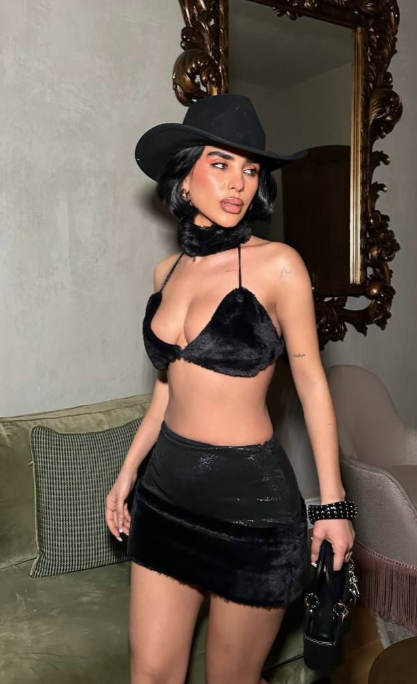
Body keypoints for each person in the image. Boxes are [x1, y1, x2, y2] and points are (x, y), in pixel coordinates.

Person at [105, 93, 356, 684]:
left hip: (252, 513)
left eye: (250, 169)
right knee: (149, 675)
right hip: (164, 497)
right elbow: (167, 391)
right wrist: (127, 472)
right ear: (184, 176)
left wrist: (333, 506)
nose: (238, 183)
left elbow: (313, 387)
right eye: (220, 164)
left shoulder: (279, 265)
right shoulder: (167, 272)